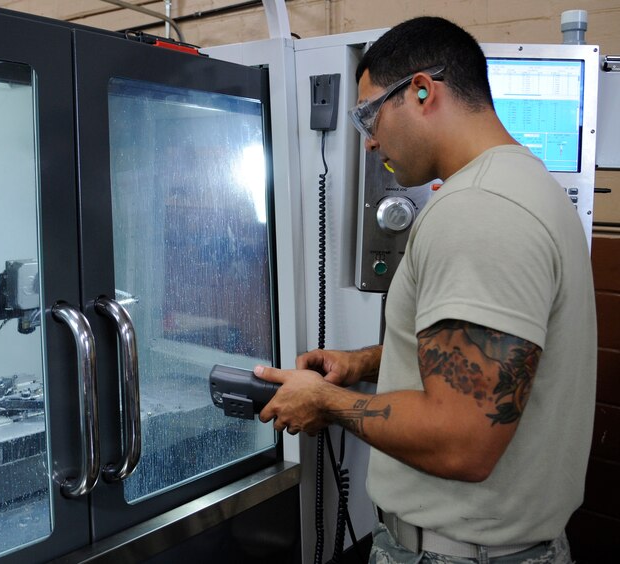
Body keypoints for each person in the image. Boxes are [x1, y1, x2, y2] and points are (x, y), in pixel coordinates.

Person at [254, 16, 596, 564]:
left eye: (369, 115)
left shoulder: (477, 210)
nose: (368, 143)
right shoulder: (526, 184)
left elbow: (461, 441)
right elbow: (476, 367)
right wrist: (362, 364)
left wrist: (325, 402)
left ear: (420, 91)